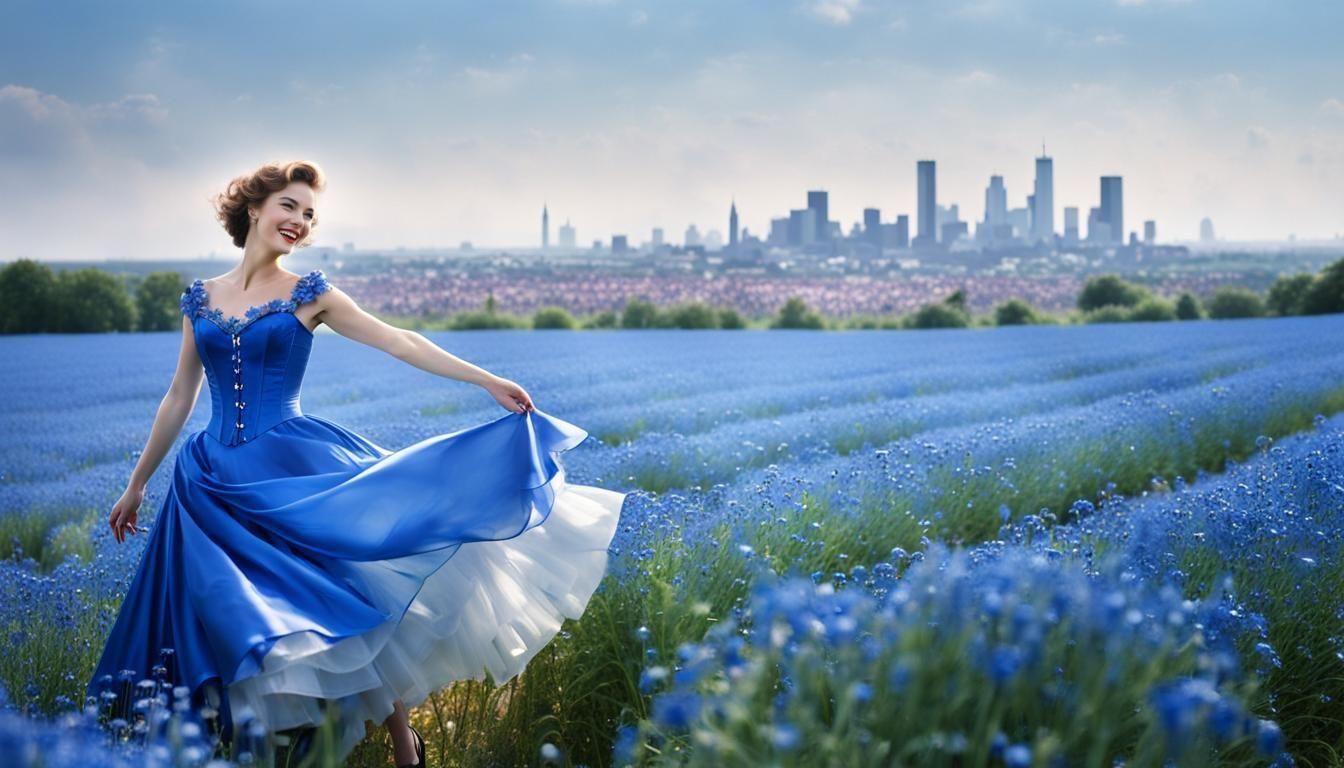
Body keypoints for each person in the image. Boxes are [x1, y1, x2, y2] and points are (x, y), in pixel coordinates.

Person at [88, 160, 627, 767]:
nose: (299, 221)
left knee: (341, 598)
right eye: (289, 206)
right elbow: (179, 396)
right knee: (222, 613)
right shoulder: (199, 298)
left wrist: (485, 379)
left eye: (310, 214)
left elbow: (397, 339)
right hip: (209, 480)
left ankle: (404, 747)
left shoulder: (309, 293)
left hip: (293, 467)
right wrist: (137, 485)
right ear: (254, 208)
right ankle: (242, 744)